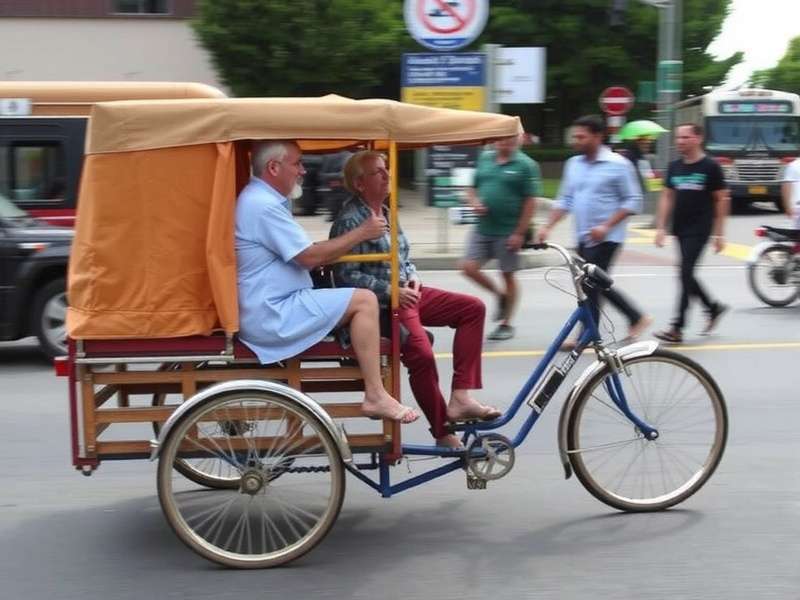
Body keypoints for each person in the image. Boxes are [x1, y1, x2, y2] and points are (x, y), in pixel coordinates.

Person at [236, 140, 419, 424]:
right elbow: (307, 256)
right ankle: (375, 394)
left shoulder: (262, 199)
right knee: (365, 300)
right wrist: (361, 233)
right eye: (296, 164)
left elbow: (302, 254)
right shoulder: (263, 205)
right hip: (274, 312)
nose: (303, 172)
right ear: (273, 167)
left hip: (273, 304)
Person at [330, 151, 500, 448]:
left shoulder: (385, 210)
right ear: (359, 183)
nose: (387, 176)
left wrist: (412, 275)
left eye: (386, 170)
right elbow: (346, 276)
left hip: (407, 292)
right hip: (383, 304)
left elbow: (404, 257)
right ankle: (443, 432)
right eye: (378, 173)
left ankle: (461, 396)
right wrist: (391, 290)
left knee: (472, 308)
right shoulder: (350, 220)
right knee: (421, 354)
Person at [538, 115, 652, 349]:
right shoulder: (574, 164)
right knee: (590, 285)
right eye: (575, 136)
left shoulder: (618, 165)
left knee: (592, 283)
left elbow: (633, 201)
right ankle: (593, 332)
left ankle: (631, 319)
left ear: (598, 136)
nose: (576, 141)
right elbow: (565, 199)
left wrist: (607, 225)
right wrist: (547, 226)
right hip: (583, 236)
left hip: (608, 237)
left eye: (582, 136)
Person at [653, 124, 730, 343]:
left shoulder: (711, 167)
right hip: (680, 228)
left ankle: (677, 327)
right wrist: (661, 228)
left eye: (685, 137)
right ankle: (713, 307)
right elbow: (667, 196)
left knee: (685, 273)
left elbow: (721, 199)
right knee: (686, 274)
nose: (680, 141)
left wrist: (719, 234)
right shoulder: (674, 166)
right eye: (678, 138)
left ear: (698, 139)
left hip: (700, 228)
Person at [460, 135, 540, 341]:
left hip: (508, 231)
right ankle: (500, 295)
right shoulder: (485, 158)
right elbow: (471, 188)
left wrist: (520, 233)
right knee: (468, 268)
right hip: (482, 228)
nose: (504, 143)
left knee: (507, 275)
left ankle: (506, 323)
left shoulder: (526, 165)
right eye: (501, 139)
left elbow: (531, 201)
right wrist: (474, 202)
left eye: (510, 139)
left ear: (517, 141)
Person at [782, 156, 800, 227]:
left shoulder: (794, 165)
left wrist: (788, 207)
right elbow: (786, 186)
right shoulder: (794, 165)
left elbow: (786, 186)